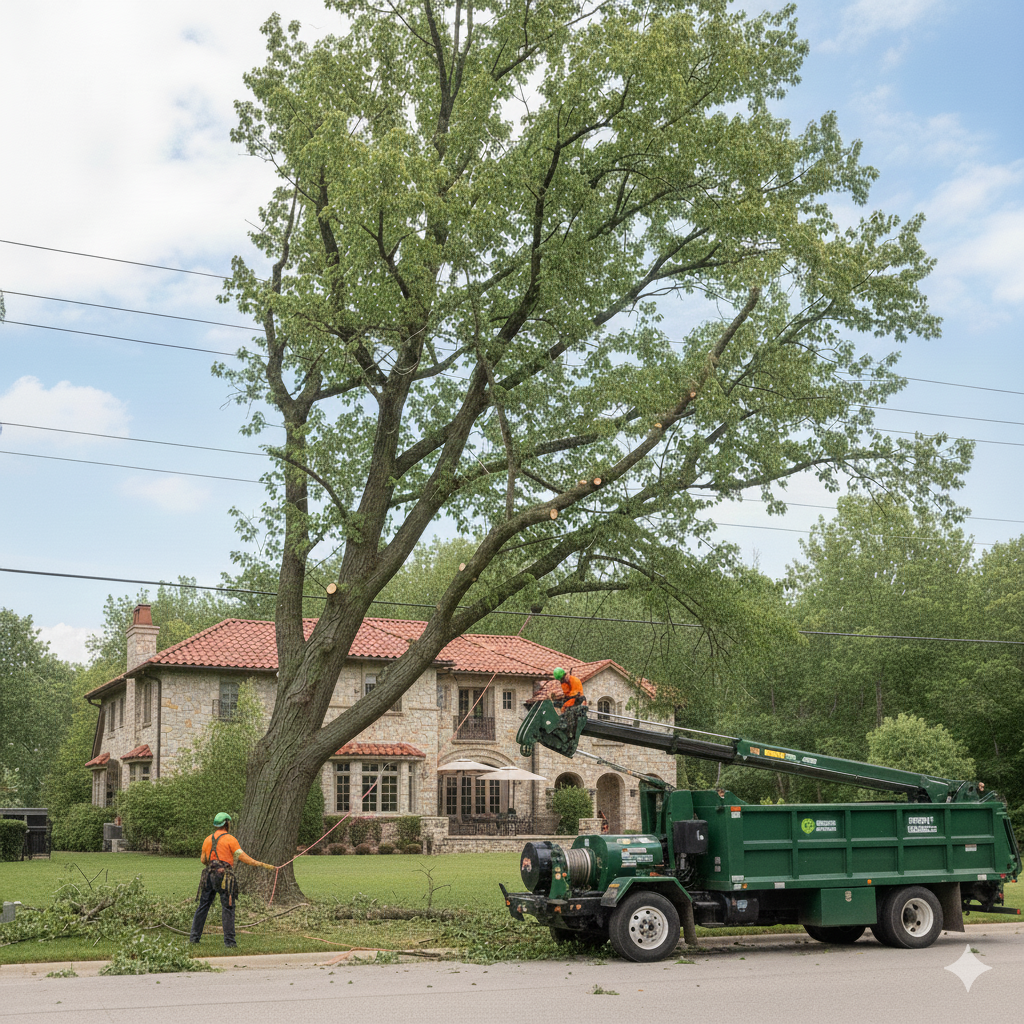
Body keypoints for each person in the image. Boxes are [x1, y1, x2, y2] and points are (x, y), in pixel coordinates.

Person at [189, 812, 274, 948]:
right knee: (228, 908)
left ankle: (194, 938)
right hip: (224, 878)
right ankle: (229, 942)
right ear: (227, 824)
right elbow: (241, 856)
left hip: (208, 876)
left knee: (203, 906)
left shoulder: (207, 840)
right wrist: (259, 863)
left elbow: (203, 860)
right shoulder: (230, 839)